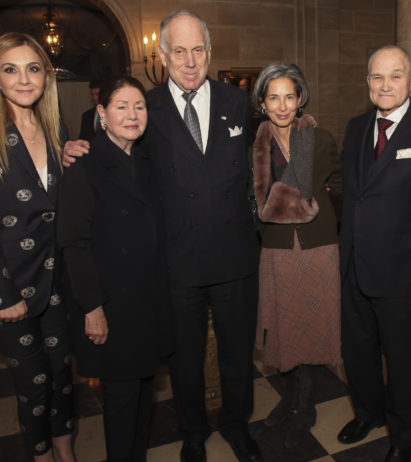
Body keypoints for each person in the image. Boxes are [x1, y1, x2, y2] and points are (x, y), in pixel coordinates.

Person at [62, 10, 261, 462]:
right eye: (179, 50)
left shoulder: (236, 102)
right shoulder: (145, 106)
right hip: (176, 262)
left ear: (209, 53)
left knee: (236, 355)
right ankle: (192, 432)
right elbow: (116, 145)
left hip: (234, 258)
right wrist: (76, 145)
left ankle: (236, 424)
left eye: (198, 50)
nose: (189, 61)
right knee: (184, 360)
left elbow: (265, 154)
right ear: (163, 55)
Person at [337, 45, 411, 462]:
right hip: (354, 267)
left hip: (405, 271)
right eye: (376, 76)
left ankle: (403, 437)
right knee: (358, 354)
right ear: (367, 82)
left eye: (394, 75)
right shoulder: (355, 128)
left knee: (403, 362)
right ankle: (367, 413)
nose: (384, 84)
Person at [57, 76, 167, 462]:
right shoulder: (83, 163)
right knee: (121, 402)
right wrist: (92, 308)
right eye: (121, 106)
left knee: (142, 394)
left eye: (139, 106)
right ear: (102, 113)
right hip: (110, 304)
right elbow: (74, 242)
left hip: (147, 301)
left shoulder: (147, 159)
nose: (132, 115)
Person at [250, 63, 342, 449]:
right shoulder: (256, 147)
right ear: (262, 102)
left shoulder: (319, 139)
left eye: (290, 95)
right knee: (283, 328)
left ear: (300, 98)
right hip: (277, 247)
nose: (282, 105)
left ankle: (305, 405)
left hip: (319, 244)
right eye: (274, 97)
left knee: (312, 328)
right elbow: (251, 200)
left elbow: (330, 183)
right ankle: (289, 398)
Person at [0, 32, 74, 462]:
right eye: (10, 69)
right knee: (32, 388)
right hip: (12, 287)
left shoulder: (55, 128)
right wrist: (3, 295)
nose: (24, 79)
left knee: (62, 376)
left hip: (57, 279)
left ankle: (67, 454)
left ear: (46, 77)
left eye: (33, 68)